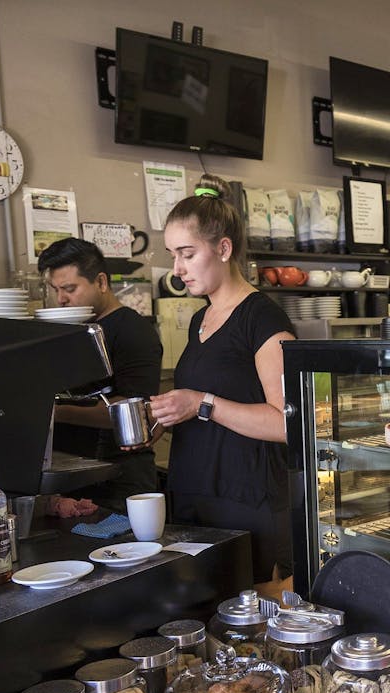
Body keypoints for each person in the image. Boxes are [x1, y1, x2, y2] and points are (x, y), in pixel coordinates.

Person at [149, 174, 296, 581]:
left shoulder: (262, 317)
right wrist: (165, 417)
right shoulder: (200, 316)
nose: (177, 270)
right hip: (195, 494)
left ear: (223, 248)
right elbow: (199, 402)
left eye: (187, 254)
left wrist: (201, 403)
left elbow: (288, 421)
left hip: (246, 499)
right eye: (172, 255)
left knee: (252, 622)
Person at [38, 238, 163, 511]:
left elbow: (136, 411)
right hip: (74, 475)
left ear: (101, 282)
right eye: (55, 289)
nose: (61, 299)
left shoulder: (133, 332)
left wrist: (54, 412)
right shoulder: (76, 330)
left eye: (70, 289)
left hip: (119, 479)